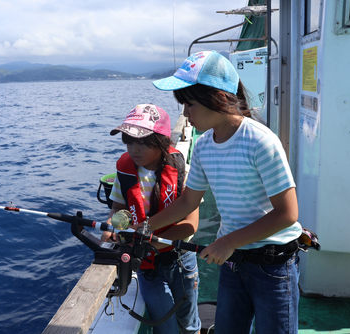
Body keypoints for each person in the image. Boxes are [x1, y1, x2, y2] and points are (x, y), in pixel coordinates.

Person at [147, 51, 303, 334]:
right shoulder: (205, 145)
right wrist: (145, 227)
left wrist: (228, 241)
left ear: (217, 99)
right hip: (233, 264)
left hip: (274, 265)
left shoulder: (260, 141)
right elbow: (188, 201)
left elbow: (288, 214)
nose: (185, 114)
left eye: (189, 105)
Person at [101, 104, 202, 334]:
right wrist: (113, 229)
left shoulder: (181, 170)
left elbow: (191, 224)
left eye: (142, 142)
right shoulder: (125, 171)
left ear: (161, 141)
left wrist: (151, 243)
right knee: (163, 322)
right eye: (129, 141)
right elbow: (119, 208)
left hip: (180, 259)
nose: (133, 149)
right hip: (146, 266)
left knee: (188, 321)